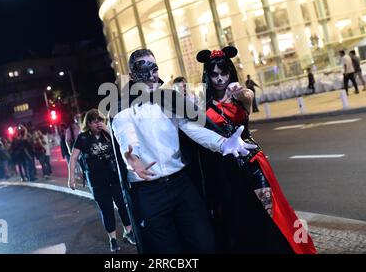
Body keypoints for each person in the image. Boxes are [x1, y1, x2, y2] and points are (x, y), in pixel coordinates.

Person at [110, 49, 257, 254]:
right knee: (166, 252)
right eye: (143, 69)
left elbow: (192, 128)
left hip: (180, 184)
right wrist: (131, 159)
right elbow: (126, 137)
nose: (151, 74)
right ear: (133, 74)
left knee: (204, 243)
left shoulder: (170, 99)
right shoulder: (121, 107)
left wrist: (223, 143)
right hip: (148, 191)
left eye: (154, 68)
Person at [196, 46, 316, 254]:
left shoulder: (240, 94)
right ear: (208, 75)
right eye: (214, 74)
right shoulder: (202, 104)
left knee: (270, 210)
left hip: (251, 161)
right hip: (223, 168)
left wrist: (242, 92)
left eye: (224, 73)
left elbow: (248, 98)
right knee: (236, 215)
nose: (220, 79)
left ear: (231, 72)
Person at [68, 109, 136, 252]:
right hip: (97, 181)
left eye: (100, 120)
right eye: (94, 121)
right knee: (107, 210)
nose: (97, 123)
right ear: (88, 123)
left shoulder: (108, 133)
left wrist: (108, 130)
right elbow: (73, 157)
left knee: (122, 205)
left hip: (113, 177)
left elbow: (122, 143)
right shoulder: (83, 138)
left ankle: (128, 232)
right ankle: (112, 239)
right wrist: (71, 178)